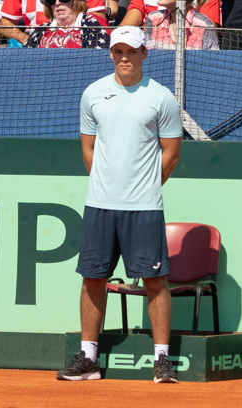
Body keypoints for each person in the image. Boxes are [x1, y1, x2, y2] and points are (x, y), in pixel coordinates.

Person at [57, 25, 182, 385]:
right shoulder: (93, 94)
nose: (124, 57)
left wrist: (143, 187)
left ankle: (161, 361)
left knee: (156, 280)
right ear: (111, 54)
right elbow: (88, 149)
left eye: (132, 51)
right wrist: (106, 185)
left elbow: (171, 153)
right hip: (99, 205)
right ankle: (89, 359)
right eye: (118, 51)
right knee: (93, 278)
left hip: (144, 207)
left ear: (146, 53)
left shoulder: (161, 98)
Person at [26, 0, 109, 48]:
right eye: (51, 0)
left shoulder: (94, 24)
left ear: (76, 0)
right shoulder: (41, 31)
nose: (57, 3)